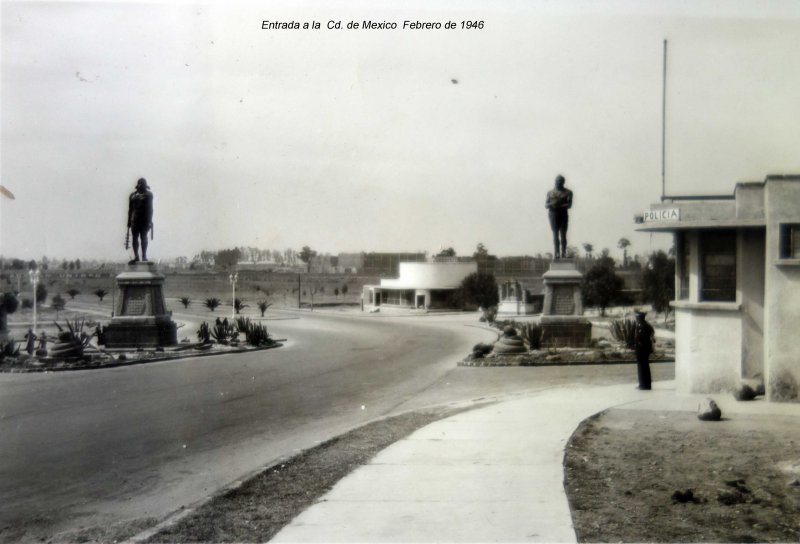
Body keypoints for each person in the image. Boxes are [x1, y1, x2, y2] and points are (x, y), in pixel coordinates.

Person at [545, 174, 573, 259]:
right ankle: (556, 252)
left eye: (560, 181)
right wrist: (552, 204)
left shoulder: (568, 192)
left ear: (563, 182)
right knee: (555, 234)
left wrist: (559, 205)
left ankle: (563, 252)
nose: (558, 183)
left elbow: (569, 205)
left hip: (563, 214)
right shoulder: (550, 192)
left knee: (563, 234)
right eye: (557, 181)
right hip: (553, 214)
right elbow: (546, 205)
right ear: (555, 182)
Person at [127, 178, 154, 263]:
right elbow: (130, 209)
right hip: (134, 219)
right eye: (140, 184)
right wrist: (128, 221)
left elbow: (150, 209)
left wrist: (149, 221)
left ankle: (144, 256)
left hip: (144, 220)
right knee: (135, 238)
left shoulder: (148, 195)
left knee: (144, 238)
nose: (141, 186)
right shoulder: (132, 195)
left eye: (143, 185)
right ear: (138, 185)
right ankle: (136, 256)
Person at [634, 310, 655, 390]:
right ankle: (644, 384)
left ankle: (644, 385)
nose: (636, 319)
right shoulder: (645, 325)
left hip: (642, 350)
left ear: (640, 318)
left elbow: (643, 339)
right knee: (643, 367)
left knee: (643, 368)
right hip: (643, 349)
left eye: (637, 317)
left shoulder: (643, 326)